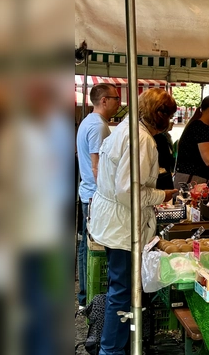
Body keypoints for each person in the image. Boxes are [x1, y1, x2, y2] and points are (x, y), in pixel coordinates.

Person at [89, 89, 179, 355]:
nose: (170, 122)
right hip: (122, 223)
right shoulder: (140, 139)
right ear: (158, 115)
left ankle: (116, 346)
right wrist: (162, 194)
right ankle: (111, 349)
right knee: (122, 289)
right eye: (168, 115)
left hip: (115, 219)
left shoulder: (127, 130)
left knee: (122, 287)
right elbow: (128, 191)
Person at [75, 83, 120, 309]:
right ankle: (88, 298)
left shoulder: (88, 122)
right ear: (104, 100)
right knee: (91, 246)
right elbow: (97, 166)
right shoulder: (98, 126)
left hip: (88, 192)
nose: (119, 103)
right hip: (94, 194)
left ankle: (85, 298)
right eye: (116, 98)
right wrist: (111, 193)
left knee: (86, 246)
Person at [154, 120, 175, 190]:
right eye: (169, 119)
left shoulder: (166, 136)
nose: (172, 123)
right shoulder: (159, 137)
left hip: (164, 174)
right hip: (160, 177)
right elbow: (165, 158)